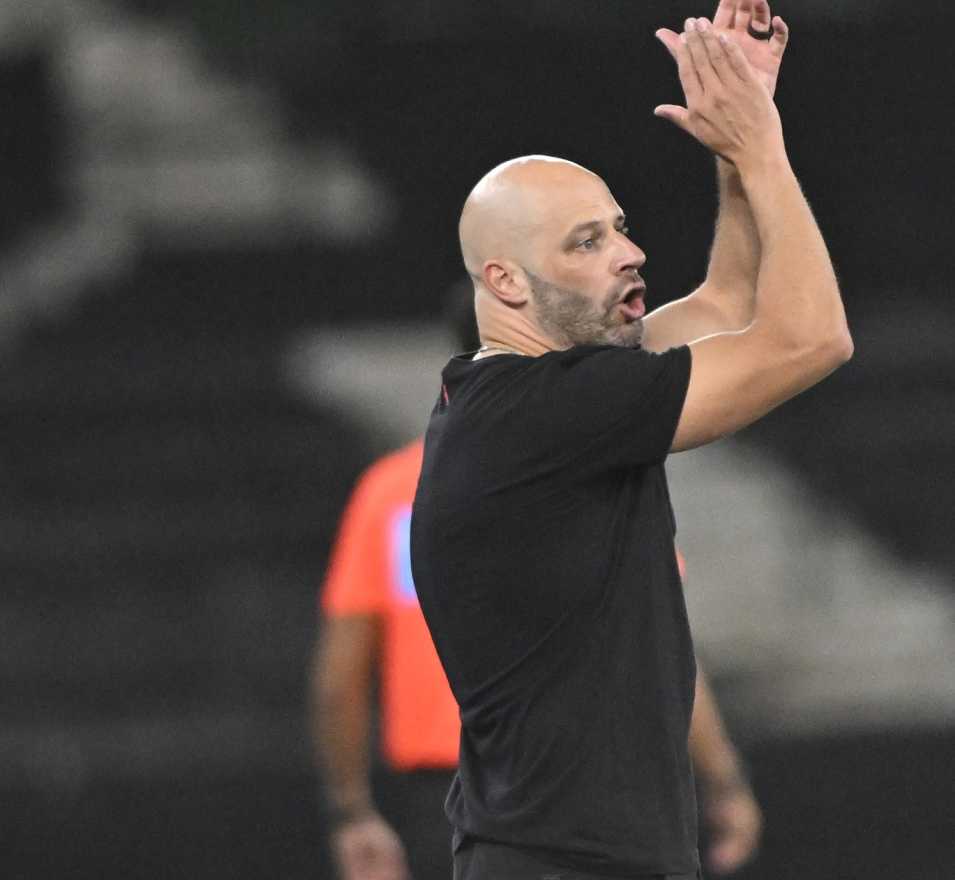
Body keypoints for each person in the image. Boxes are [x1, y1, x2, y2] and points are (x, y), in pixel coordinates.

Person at [411, 0, 852, 880]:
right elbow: (811, 337)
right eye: (587, 242)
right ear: (504, 283)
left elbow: (731, 300)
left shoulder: (526, 401)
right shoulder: (548, 416)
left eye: (617, 227)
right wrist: (763, 148)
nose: (630, 251)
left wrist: (734, 152)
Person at [312, 297, 764, 880]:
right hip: (587, 785)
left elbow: (338, 678)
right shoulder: (602, 477)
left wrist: (352, 811)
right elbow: (662, 645)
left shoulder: (396, 493)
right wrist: (722, 778)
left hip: (448, 799)